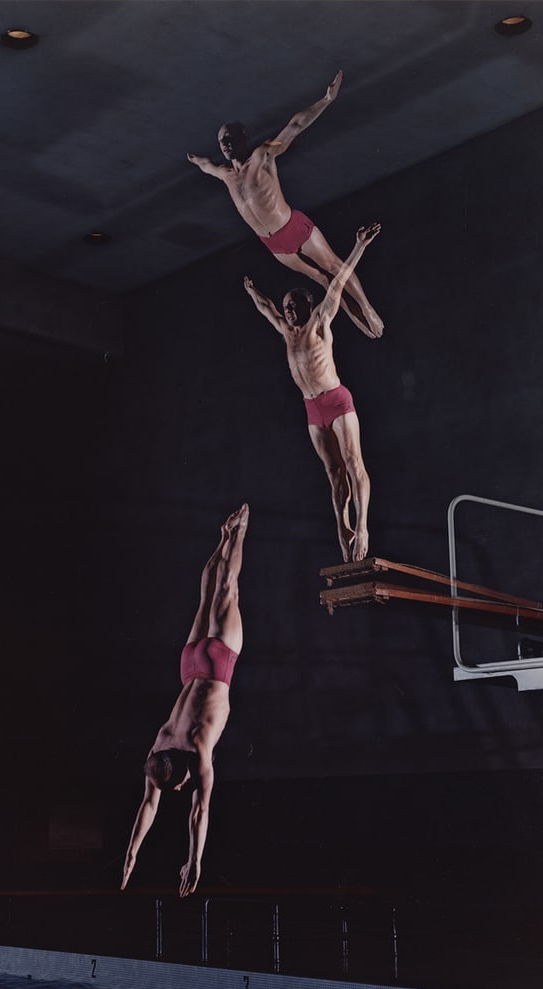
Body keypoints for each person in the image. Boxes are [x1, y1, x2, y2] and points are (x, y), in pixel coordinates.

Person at [187, 70, 383, 340]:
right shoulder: (226, 174)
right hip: (274, 245)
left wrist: (326, 100)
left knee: (335, 267)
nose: (226, 144)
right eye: (222, 141)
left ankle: (367, 308)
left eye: (230, 138)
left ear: (244, 136)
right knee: (323, 280)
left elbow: (295, 126)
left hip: (293, 226)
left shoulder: (263, 155)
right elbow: (206, 165)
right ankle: (360, 322)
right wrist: (195, 160)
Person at [121, 503, 249, 898]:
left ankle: (241, 530)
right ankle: (224, 537)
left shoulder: (197, 751)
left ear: (182, 772)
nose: (179, 790)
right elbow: (147, 806)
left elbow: (199, 811)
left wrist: (195, 860)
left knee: (227, 588)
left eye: (178, 785)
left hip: (217, 666)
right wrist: (131, 853)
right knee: (207, 593)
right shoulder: (160, 746)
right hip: (190, 664)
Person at [244, 224, 380, 562]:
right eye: (287, 307)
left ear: (308, 305)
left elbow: (338, 282)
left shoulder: (320, 320)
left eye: (294, 306)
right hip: (312, 409)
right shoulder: (286, 331)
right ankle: (343, 530)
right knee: (334, 473)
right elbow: (265, 307)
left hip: (337, 400)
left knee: (353, 462)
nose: (289, 312)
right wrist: (251, 290)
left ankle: (362, 526)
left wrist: (359, 246)